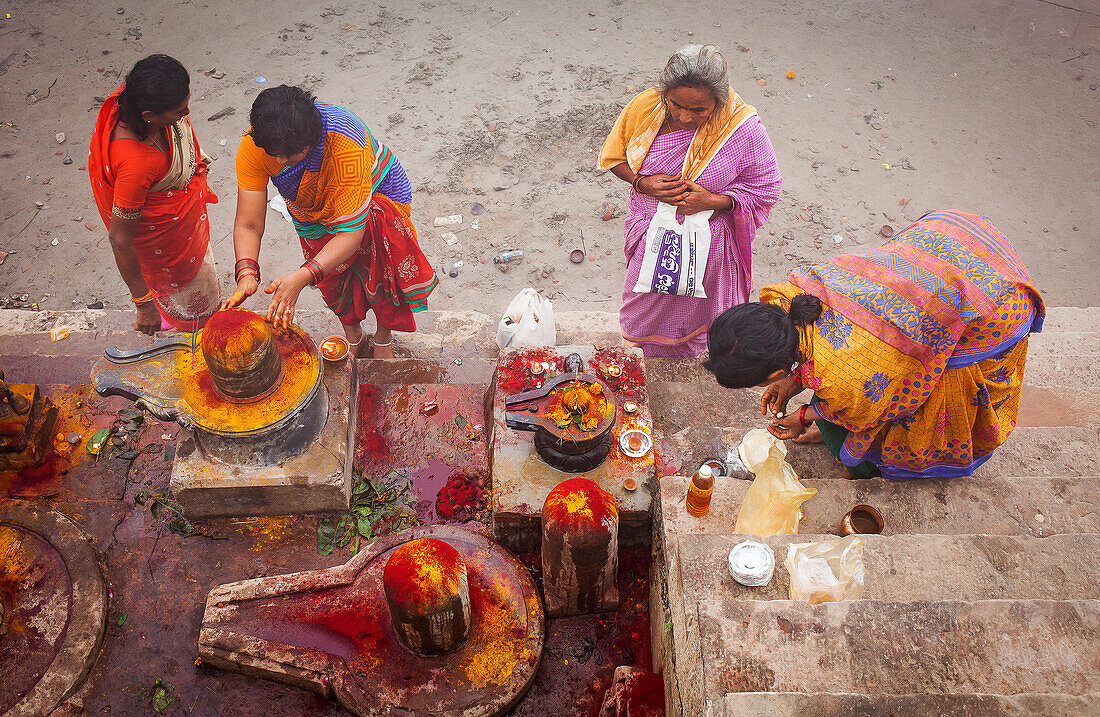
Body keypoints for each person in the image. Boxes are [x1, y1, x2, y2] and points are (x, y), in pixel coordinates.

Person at [703, 211, 1044, 480]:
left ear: (775, 370)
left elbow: (870, 408)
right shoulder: (789, 296)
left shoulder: (849, 377)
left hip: (995, 303)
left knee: (919, 407)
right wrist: (793, 380)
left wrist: (811, 415)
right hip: (953, 236)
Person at [221, 85, 436, 358]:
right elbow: (248, 223)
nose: (279, 161)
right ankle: (353, 336)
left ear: (310, 144)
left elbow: (349, 235)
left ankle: (383, 336)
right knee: (333, 280)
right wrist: (246, 275)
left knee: (380, 270)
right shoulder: (255, 146)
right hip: (311, 213)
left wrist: (301, 277)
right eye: (274, 154)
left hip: (373, 200)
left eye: (288, 156)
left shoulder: (345, 144)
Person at [598, 44, 782, 358]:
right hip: (651, 235)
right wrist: (642, 182)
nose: (684, 117)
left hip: (707, 247)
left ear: (718, 103)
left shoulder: (742, 129)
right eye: (676, 105)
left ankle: (686, 356)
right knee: (643, 311)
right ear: (664, 95)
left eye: (699, 111)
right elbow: (613, 157)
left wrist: (713, 200)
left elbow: (766, 188)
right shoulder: (644, 108)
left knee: (696, 317)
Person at [89, 54, 221, 334]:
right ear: (148, 117)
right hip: (169, 254)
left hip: (182, 230)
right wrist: (143, 304)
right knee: (199, 322)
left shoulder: (133, 99)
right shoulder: (136, 165)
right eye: (179, 113)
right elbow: (120, 239)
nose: (186, 116)